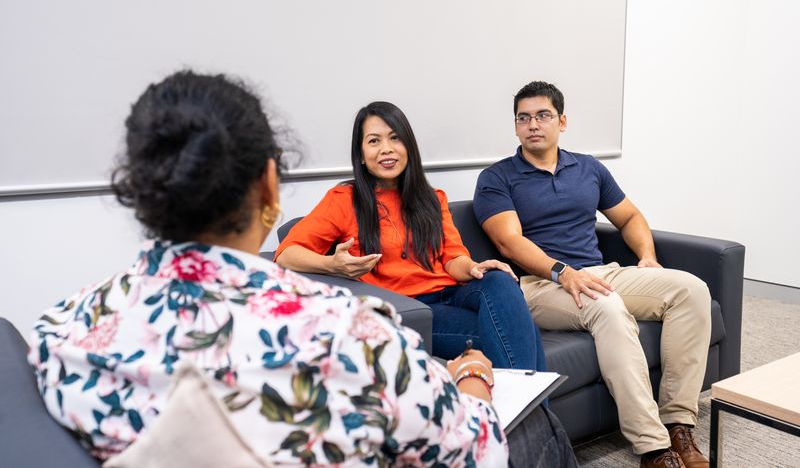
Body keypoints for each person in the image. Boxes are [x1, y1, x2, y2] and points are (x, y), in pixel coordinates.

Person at [28, 71, 514, 466]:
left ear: (139, 191)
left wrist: (472, 267)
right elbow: (478, 449)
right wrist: (473, 377)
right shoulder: (354, 335)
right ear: (269, 184)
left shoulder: (61, 331)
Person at [473, 81, 712, 468]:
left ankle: (678, 423)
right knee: (608, 307)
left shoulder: (588, 168)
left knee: (691, 290)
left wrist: (647, 256)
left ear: (562, 121)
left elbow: (630, 216)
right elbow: (509, 243)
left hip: (600, 272)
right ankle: (653, 447)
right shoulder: (497, 178)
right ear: (516, 126)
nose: (533, 124)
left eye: (543, 115)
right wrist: (561, 272)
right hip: (538, 286)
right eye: (524, 118)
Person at [274, 101, 546, 372]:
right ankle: (538, 414)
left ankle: (524, 412)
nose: (386, 149)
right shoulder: (344, 200)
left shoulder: (431, 198)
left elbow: (453, 257)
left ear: (408, 146)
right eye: (374, 141)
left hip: (453, 291)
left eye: (395, 138)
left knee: (498, 279)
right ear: (360, 153)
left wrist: (474, 267)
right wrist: (332, 265)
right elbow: (285, 254)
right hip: (412, 310)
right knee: (523, 333)